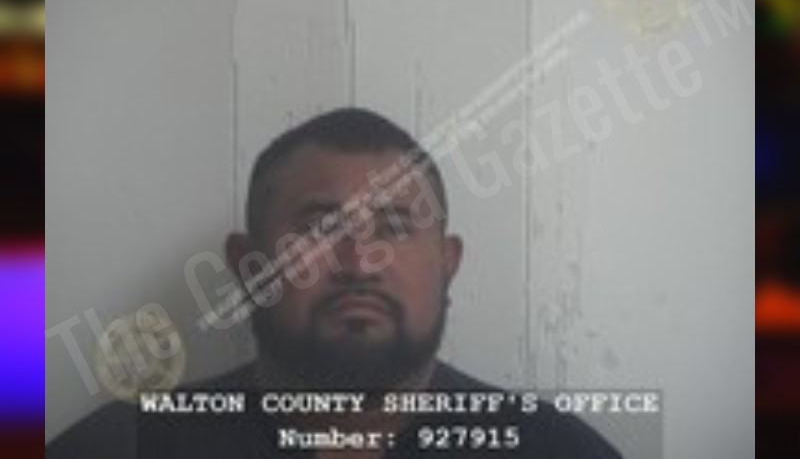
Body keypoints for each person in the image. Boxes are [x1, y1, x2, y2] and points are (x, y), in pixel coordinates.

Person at [47, 108, 620, 458]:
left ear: (448, 263)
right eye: (320, 228)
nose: (360, 262)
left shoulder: (558, 451)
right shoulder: (128, 446)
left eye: (395, 228)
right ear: (248, 266)